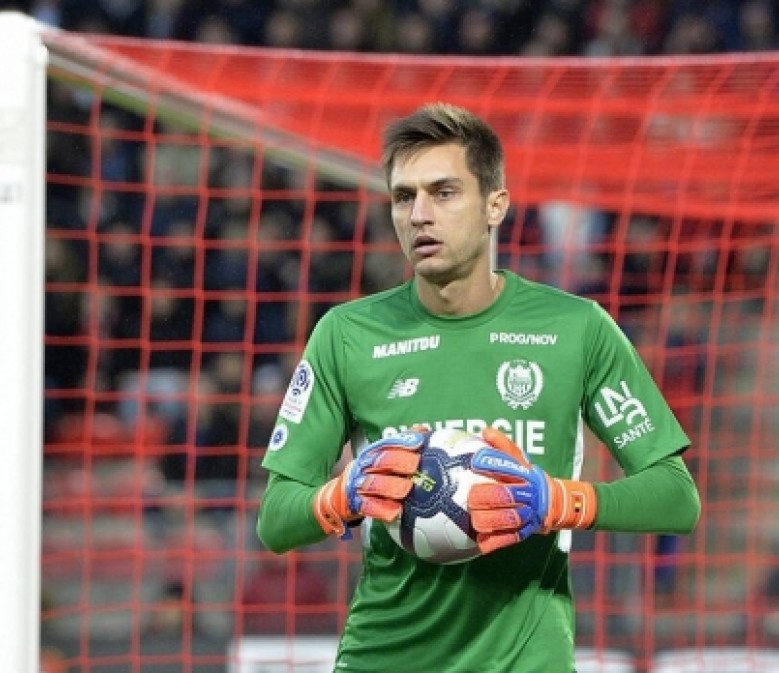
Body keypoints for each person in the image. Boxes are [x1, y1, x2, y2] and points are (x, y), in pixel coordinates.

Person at [256, 102, 701, 672]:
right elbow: (275, 520)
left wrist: (560, 501)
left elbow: (676, 496)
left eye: (443, 193)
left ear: (496, 205)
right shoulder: (346, 335)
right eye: (403, 197)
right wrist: (340, 496)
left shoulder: (576, 328)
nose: (419, 215)